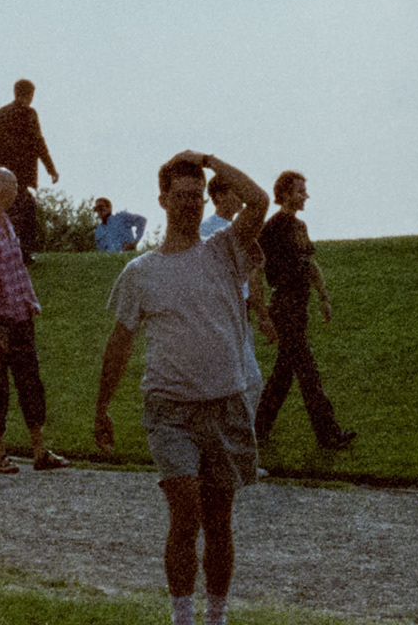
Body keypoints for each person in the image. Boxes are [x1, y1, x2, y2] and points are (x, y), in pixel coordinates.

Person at [94, 151, 268, 625]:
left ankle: (216, 614)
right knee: (185, 510)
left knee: (219, 522)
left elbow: (259, 200)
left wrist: (210, 161)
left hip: (225, 403)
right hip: (169, 409)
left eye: (197, 195)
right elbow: (120, 344)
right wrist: (102, 406)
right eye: (181, 195)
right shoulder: (141, 272)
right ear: (163, 201)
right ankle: (181, 616)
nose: (191, 203)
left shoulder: (225, 249)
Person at [0, 167, 70, 474]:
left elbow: (18, 270)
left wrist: (30, 302)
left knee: (31, 384)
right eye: (13, 187)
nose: (17, 193)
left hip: (19, 318)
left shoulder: (6, 224)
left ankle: (39, 450)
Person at [255, 171, 354, 452]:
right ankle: (329, 434)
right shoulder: (271, 228)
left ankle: (258, 429)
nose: (305, 196)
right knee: (308, 373)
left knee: (283, 375)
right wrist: (262, 314)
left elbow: (309, 264)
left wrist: (323, 297)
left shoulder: (300, 227)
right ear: (284, 194)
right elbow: (257, 270)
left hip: (300, 306)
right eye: (300, 191)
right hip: (284, 306)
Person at [0, 79, 58, 260]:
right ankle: (22, 253)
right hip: (19, 172)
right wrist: (51, 169)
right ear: (30, 95)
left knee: (3, 211)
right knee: (26, 210)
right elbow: (38, 143)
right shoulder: (28, 113)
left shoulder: (0, 113)